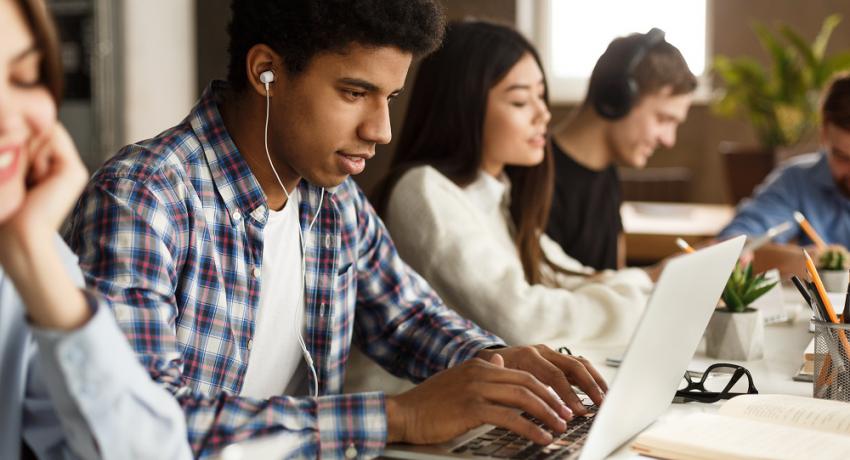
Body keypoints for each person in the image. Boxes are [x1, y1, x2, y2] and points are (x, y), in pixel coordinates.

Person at [63, 1, 609, 458]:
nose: (381, 130)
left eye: (389, 98)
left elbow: (408, 320)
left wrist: (500, 367)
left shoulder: (332, 197)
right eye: (354, 93)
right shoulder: (144, 198)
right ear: (265, 73)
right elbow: (138, 427)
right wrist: (398, 416)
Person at [370, 20, 652, 347]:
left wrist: (644, 281)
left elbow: (569, 276)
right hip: (414, 395)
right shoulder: (424, 191)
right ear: (464, 106)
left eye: (541, 97)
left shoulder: (496, 194)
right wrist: (642, 297)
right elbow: (523, 321)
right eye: (520, 102)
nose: (543, 115)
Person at [0, 0, 191, 458]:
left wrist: (31, 257)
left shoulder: (24, 263)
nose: (10, 120)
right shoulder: (144, 190)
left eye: (24, 76)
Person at [546, 29, 697, 270]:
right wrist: (653, 277)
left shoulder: (607, 172)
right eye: (663, 119)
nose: (669, 140)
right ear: (617, 99)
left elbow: (614, 281)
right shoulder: (536, 177)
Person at [718, 74, 850, 250]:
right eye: (842, 157)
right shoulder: (797, 181)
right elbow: (735, 240)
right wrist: (806, 260)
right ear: (824, 133)